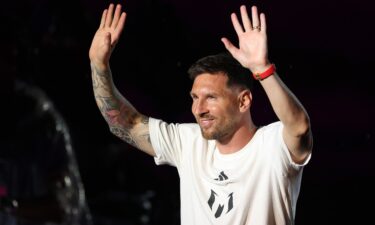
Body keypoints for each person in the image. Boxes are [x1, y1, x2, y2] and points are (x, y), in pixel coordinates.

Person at [89, 3, 313, 225]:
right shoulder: (189, 143)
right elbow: (123, 123)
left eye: (211, 98)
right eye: (195, 98)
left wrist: (262, 69)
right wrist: (98, 64)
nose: (198, 109)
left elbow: (299, 127)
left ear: (243, 101)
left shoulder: (272, 146)